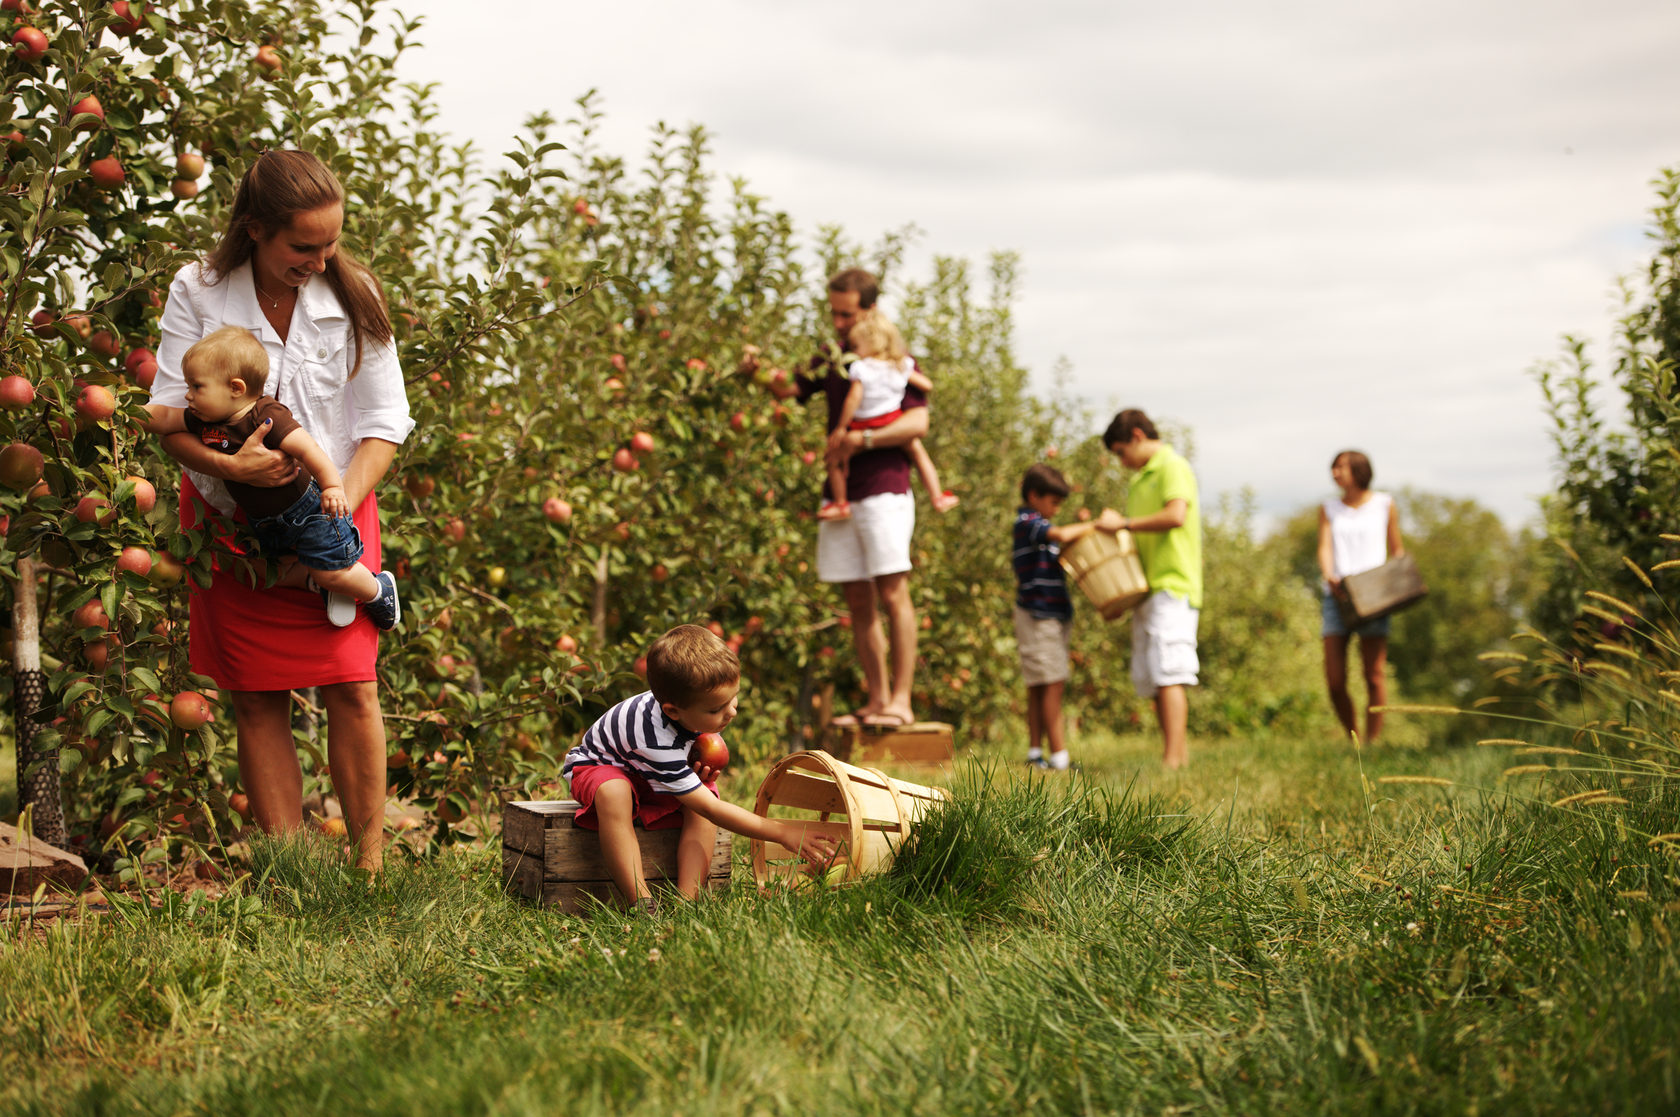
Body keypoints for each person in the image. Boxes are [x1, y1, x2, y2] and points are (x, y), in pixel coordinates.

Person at [149, 149, 414, 871]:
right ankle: (289, 869)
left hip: (336, 500)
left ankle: (368, 864)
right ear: (256, 229)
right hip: (231, 520)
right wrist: (229, 466)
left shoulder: (354, 292)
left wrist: (327, 517)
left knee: (354, 686)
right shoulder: (200, 290)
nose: (322, 260)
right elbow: (172, 419)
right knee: (257, 696)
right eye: (304, 246)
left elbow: (385, 423)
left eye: (331, 241)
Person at [746, 267, 927, 729]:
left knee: (893, 592)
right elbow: (788, 387)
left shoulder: (893, 358)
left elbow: (916, 425)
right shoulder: (831, 356)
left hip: (884, 488)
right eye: (834, 313)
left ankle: (902, 701)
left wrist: (861, 441)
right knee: (858, 600)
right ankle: (878, 698)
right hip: (841, 495)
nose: (839, 323)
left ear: (869, 308)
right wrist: (757, 371)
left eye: (847, 314)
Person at [561, 625, 840, 909]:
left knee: (701, 797)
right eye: (715, 709)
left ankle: (687, 901)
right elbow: (712, 809)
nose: (731, 712)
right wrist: (781, 832)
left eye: (733, 699)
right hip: (602, 767)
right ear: (672, 711)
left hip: (648, 774)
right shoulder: (654, 739)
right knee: (616, 792)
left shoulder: (687, 706)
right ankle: (640, 901)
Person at [145, 326, 400, 630]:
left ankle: (377, 589)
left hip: (311, 516)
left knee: (332, 572)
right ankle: (314, 580)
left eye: (197, 387)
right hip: (267, 523)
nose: (188, 395)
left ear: (235, 388)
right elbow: (165, 418)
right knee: (258, 570)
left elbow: (310, 451)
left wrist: (332, 487)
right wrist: (124, 413)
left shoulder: (265, 415)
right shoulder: (204, 420)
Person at [1097, 409, 1201, 769]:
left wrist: (1123, 523)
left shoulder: (1172, 466)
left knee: (1171, 670)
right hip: (1148, 588)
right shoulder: (1140, 481)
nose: (1121, 462)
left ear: (1138, 436)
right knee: (1155, 675)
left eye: (1122, 452)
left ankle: (1173, 760)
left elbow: (1175, 516)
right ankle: (1174, 755)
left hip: (1173, 583)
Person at [819, 308, 958, 521]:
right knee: (918, 452)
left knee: (835, 459)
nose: (854, 351)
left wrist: (841, 427)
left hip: (865, 424)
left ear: (871, 344)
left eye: (856, 346)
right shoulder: (900, 364)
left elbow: (853, 400)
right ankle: (937, 496)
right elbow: (927, 385)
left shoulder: (861, 368)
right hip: (892, 420)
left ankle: (840, 504)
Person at [1013, 464, 1101, 771]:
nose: (1055, 510)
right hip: (1039, 614)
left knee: (1040, 683)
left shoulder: (1038, 526)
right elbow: (1060, 533)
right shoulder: (1027, 522)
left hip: (1050, 613)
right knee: (1051, 682)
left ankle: (1036, 753)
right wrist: (1095, 525)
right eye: (1053, 502)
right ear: (1034, 496)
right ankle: (1060, 757)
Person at [1317, 450, 1404, 743]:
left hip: (1375, 594)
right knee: (1335, 680)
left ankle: (1372, 741)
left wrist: (1401, 582)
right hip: (1338, 595)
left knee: (1373, 674)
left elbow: (1397, 549)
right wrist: (1328, 573)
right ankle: (1352, 736)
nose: (1335, 473)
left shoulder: (1384, 504)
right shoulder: (1328, 508)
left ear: (1358, 470)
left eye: (1340, 467)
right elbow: (1325, 546)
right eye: (1333, 468)